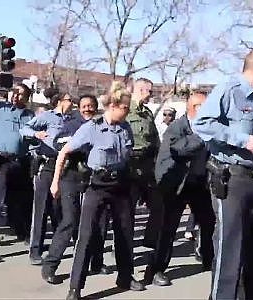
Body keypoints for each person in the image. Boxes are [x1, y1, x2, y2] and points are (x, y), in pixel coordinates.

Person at [193, 48, 253, 299]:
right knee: (230, 247)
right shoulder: (229, 90)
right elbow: (202, 123)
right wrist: (241, 140)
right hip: (231, 180)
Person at [50, 82, 145, 300]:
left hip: (120, 185)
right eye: (125, 108)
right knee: (86, 236)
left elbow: (128, 155)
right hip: (97, 186)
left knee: (125, 233)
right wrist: (55, 182)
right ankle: (76, 287)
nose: (128, 112)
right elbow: (64, 152)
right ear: (113, 105)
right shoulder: (92, 128)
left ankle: (125, 276)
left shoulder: (125, 128)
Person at [144, 91, 214, 286]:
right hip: (175, 184)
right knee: (168, 228)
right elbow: (180, 150)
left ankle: (209, 260)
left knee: (208, 222)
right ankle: (157, 269)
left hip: (198, 182)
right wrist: (202, 134)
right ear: (195, 108)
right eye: (205, 107)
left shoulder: (208, 127)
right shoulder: (177, 127)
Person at [41, 94, 110, 284]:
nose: (87, 109)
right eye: (84, 106)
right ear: (79, 108)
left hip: (93, 179)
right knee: (69, 221)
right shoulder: (71, 123)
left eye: (91, 106)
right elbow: (57, 144)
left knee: (99, 221)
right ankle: (50, 266)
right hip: (70, 177)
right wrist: (76, 146)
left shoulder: (103, 125)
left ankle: (97, 261)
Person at [20, 92, 73, 265]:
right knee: (41, 209)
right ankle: (35, 250)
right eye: (69, 100)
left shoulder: (72, 119)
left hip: (65, 166)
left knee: (59, 208)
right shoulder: (47, 117)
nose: (72, 103)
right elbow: (25, 128)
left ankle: (57, 248)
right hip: (47, 165)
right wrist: (37, 135)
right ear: (60, 102)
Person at [0, 84, 34, 262]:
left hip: (20, 163)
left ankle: (23, 233)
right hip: (0, 162)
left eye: (22, 94)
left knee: (20, 202)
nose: (17, 96)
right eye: (15, 92)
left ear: (27, 98)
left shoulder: (30, 116)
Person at [126, 78, 160, 209]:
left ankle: (153, 231)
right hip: (132, 166)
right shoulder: (126, 110)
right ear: (141, 90)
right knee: (128, 208)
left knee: (158, 206)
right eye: (149, 92)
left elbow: (155, 137)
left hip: (148, 165)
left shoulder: (147, 113)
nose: (151, 95)